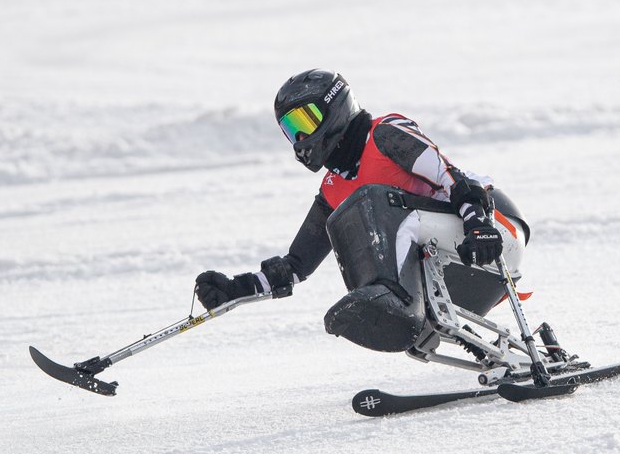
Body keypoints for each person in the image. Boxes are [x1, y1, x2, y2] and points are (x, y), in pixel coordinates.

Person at [195, 69, 530, 354]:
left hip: (490, 233)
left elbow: (452, 179)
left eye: (305, 121)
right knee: (349, 221)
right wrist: (236, 289)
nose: (299, 138)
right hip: (447, 268)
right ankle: (395, 305)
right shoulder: (333, 187)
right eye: (290, 129)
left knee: (374, 201)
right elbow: (297, 265)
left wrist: (477, 225)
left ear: (335, 109)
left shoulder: (385, 135)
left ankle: (394, 300)